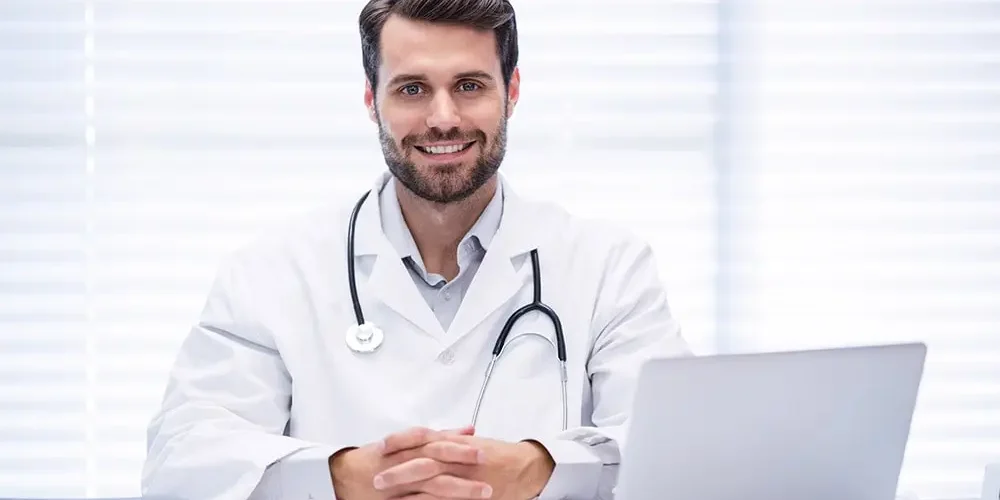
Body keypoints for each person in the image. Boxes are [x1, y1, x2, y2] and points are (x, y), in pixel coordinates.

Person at [140, 0, 691, 499]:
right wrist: (340, 477)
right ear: (370, 99)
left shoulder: (609, 267)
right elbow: (181, 459)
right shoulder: (272, 272)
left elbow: (680, 458)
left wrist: (540, 468)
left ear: (513, 90)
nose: (443, 117)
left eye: (470, 85)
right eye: (412, 89)